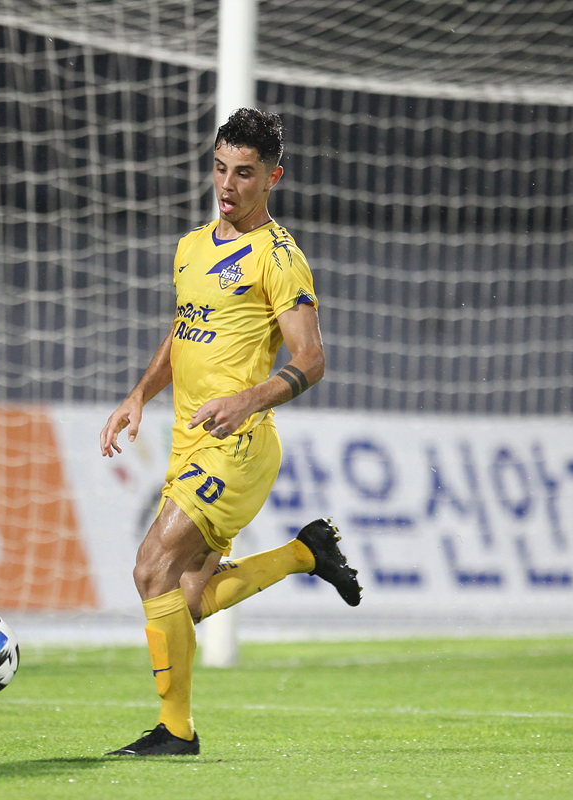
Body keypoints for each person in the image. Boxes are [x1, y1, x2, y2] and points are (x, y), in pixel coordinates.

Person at [98, 108, 362, 757]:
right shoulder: (191, 247)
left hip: (238, 445)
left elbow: (311, 359)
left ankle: (175, 732)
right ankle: (305, 554)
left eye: (244, 173)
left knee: (150, 568)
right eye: (220, 168)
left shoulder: (279, 258)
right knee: (182, 602)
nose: (227, 184)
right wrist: (138, 394)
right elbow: (184, 330)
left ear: (272, 177)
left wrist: (250, 397)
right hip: (191, 441)